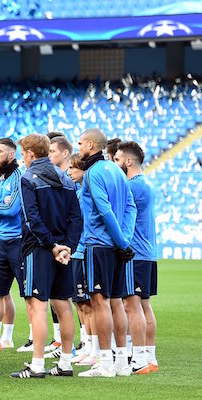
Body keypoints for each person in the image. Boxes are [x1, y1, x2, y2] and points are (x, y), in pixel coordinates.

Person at [9, 134, 82, 378]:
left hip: (39, 249)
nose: (22, 157)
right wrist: (67, 247)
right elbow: (75, 218)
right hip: (63, 250)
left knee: (38, 307)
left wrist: (51, 246)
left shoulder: (28, 177)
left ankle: (37, 365)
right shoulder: (66, 177)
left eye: (22, 153)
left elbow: (31, 219)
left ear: (30, 153)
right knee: (64, 305)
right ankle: (66, 363)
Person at [75, 128, 136, 378]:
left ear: (91, 145)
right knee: (116, 303)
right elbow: (130, 207)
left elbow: (104, 209)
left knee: (99, 302)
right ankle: (122, 362)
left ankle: (105, 363)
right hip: (117, 246)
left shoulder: (92, 172)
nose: (78, 147)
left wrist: (122, 242)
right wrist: (125, 240)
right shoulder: (117, 171)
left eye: (79, 143)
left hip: (98, 244)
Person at [114, 141, 157, 374]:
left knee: (131, 305)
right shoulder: (146, 183)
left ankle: (139, 358)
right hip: (148, 252)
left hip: (135, 253)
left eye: (117, 159)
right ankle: (149, 356)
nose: (115, 164)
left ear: (128, 161)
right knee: (143, 305)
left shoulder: (132, 186)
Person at [0, 138, 23, 351]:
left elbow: (12, 210)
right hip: (1, 242)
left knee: (28, 294)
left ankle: (20, 337)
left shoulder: (20, 178)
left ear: (11, 154)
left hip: (19, 241)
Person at [67, 154, 99, 367]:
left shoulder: (86, 194)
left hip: (83, 251)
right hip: (75, 253)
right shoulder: (78, 193)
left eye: (72, 168)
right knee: (79, 303)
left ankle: (95, 350)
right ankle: (87, 347)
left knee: (88, 304)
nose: (69, 171)